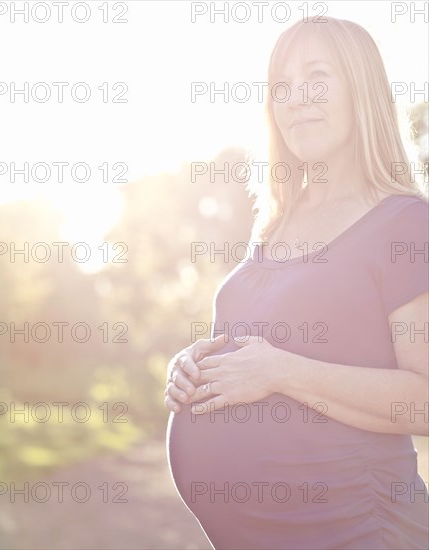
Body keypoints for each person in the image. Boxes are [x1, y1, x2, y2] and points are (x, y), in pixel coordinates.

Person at [165, 16, 429, 550]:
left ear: (363, 91)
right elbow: (256, 347)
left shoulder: (403, 223)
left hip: (363, 531)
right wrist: (195, 362)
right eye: (281, 87)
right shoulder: (277, 220)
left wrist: (282, 372)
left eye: (316, 77)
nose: (295, 98)